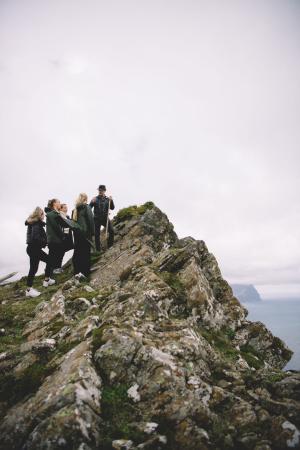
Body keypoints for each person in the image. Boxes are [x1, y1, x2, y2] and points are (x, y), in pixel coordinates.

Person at [25, 207, 51, 297]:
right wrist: (46, 241)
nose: (44, 216)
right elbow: (35, 237)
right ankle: (45, 281)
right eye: (43, 214)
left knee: (34, 268)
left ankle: (29, 289)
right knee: (46, 262)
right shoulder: (36, 223)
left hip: (33, 248)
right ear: (40, 215)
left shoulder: (35, 223)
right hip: (34, 249)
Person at [72, 193, 95, 279]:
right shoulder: (86, 207)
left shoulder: (74, 210)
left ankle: (77, 272)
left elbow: (73, 224)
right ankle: (85, 273)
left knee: (78, 253)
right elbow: (90, 220)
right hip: (85, 234)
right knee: (85, 253)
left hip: (77, 235)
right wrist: (92, 232)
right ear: (85, 198)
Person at [45, 198, 66, 285]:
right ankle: (47, 279)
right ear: (54, 204)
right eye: (58, 202)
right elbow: (56, 227)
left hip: (56, 239)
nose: (60, 204)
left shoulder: (55, 213)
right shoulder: (51, 214)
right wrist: (63, 235)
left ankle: (49, 278)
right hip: (54, 240)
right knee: (51, 259)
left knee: (55, 257)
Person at [89, 184, 115, 251]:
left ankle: (110, 246)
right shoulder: (95, 199)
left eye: (101, 190)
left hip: (105, 218)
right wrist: (91, 202)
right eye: (99, 190)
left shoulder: (107, 199)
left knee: (111, 231)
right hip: (96, 219)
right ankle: (98, 250)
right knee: (97, 235)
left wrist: (111, 201)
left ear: (104, 191)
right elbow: (89, 208)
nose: (100, 191)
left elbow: (112, 208)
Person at [54, 203, 73, 273]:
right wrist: (65, 235)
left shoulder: (67, 216)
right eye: (64, 208)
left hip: (67, 236)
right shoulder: (60, 216)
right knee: (60, 253)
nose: (66, 209)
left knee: (62, 252)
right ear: (61, 209)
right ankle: (56, 268)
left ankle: (57, 268)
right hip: (63, 237)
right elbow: (63, 227)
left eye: (66, 207)